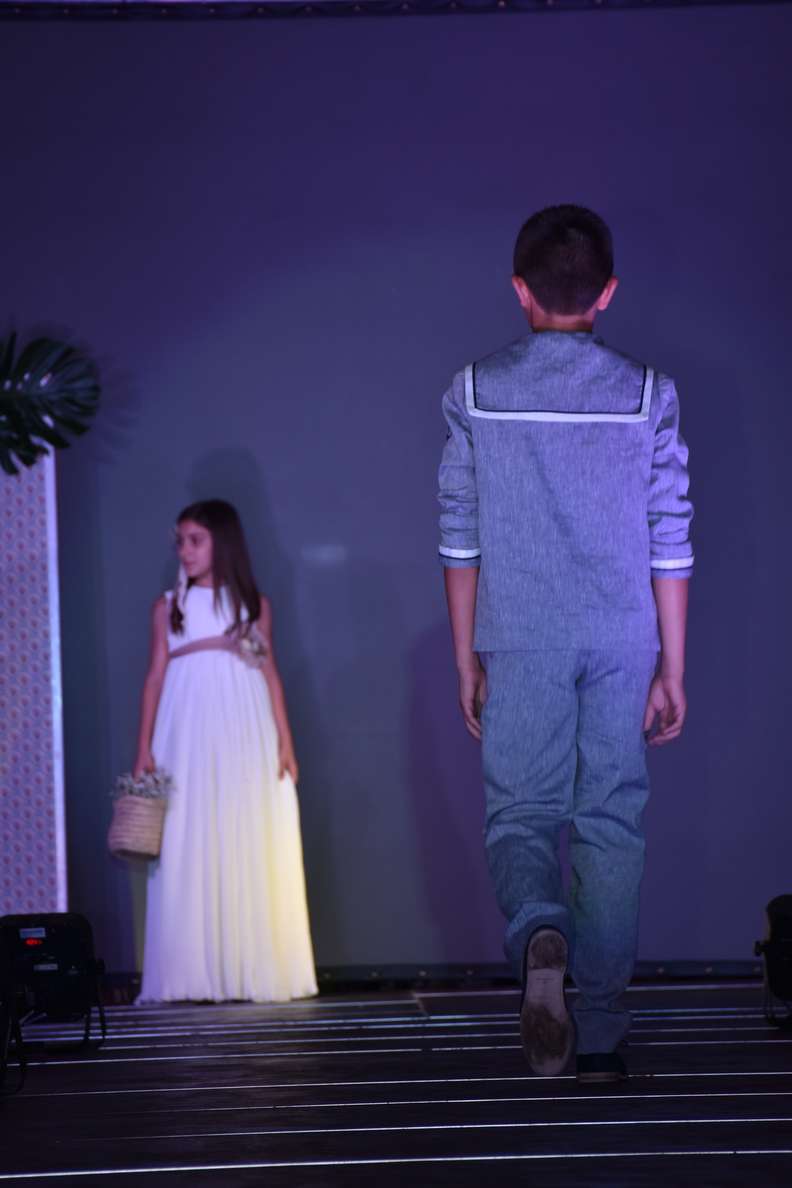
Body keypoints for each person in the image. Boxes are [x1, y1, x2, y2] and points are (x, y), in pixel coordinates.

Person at [437, 205, 693, 1084]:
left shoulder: (476, 391)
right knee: (611, 825)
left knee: (521, 816)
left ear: (520, 290)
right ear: (607, 293)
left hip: (520, 636)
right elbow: (669, 535)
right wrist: (672, 664)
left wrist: (465, 655)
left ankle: (540, 930)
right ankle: (606, 1033)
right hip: (623, 638)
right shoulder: (647, 393)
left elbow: (460, 537)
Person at [133, 499, 317, 1003]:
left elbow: (270, 673)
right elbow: (154, 678)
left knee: (245, 830)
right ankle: (192, 972)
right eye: (181, 542)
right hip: (186, 729)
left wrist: (285, 741)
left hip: (244, 728)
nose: (185, 551)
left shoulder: (253, 606)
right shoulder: (167, 607)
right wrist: (143, 747)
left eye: (196, 540)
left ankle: (249, 967)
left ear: (223, 542)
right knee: (189, 833)